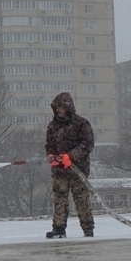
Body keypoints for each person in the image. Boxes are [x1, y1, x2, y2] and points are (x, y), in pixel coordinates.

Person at [44, 91, 95, 238]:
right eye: (56, 107)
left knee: (81, 198)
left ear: (67, 107)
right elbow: (49, 145)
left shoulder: (81, 124)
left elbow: (87, 144)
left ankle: (88, 228)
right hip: (59, 170)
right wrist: (52, 156)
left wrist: (71, 157)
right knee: (59, 198)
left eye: (60, 107)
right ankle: (58, 229)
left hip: (78, 169)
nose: (58, 110)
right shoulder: (52, 126)